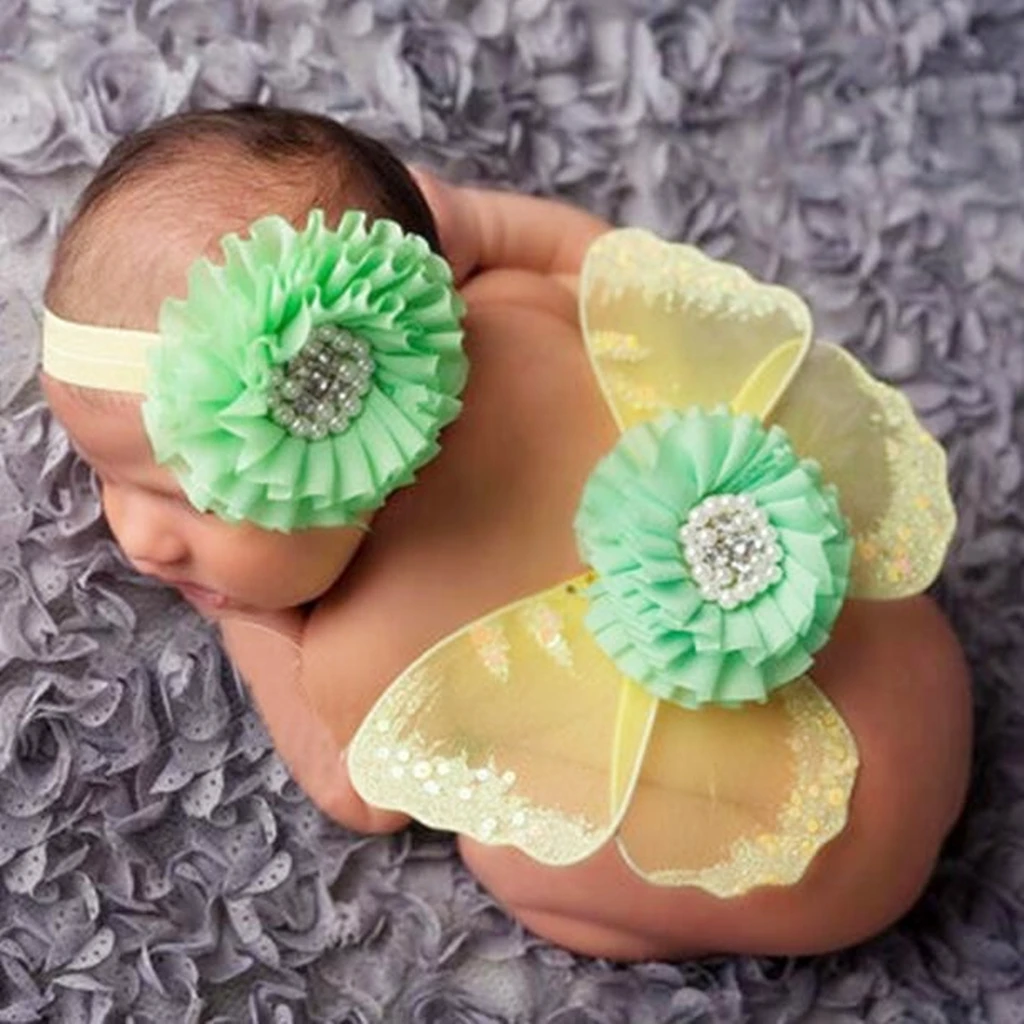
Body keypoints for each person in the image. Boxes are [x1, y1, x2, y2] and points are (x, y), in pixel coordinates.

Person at [40, 105, 972, 961]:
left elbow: (355, 794)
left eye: (193, 497)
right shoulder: (518, 309)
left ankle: (632, 925)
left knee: (510, 857)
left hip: (829, 870)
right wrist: (484, 225)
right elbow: (605, 260)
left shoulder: (364, 650)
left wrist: (245, 620)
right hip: (924, 668)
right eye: (105, 471)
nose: (140, 536)